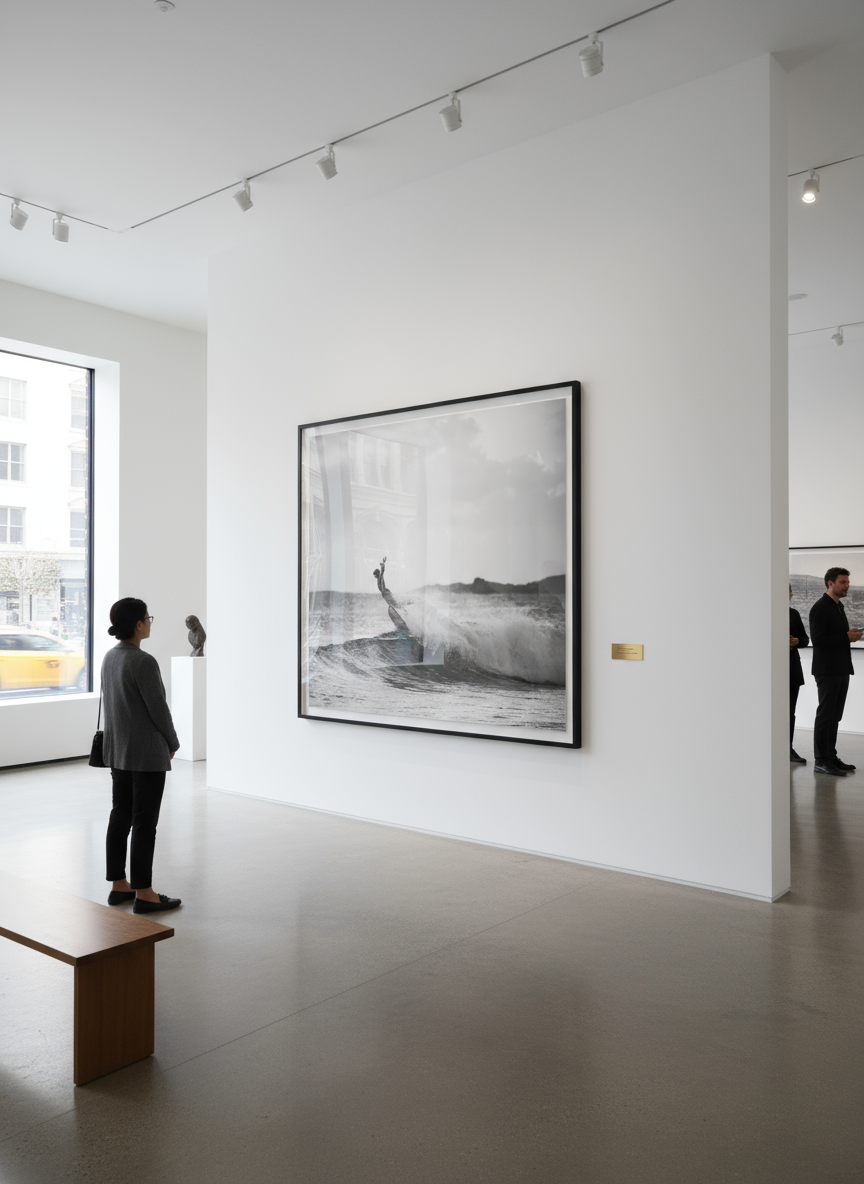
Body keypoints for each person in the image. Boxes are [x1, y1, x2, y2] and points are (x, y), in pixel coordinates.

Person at [102, 598, 182, 913]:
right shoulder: (143, 661)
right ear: (138, 624)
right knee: (144, 822)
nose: (150, 622)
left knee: (120, 814)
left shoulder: (109, 657)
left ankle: (118, 885)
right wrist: (173, 741)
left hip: (118, 750)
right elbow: (158, 710)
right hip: (146, 754)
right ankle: (145, 894)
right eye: (148, 618)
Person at [808, 568, 863, 777]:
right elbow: (819, 640)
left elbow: (839, 637)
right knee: (825, 715)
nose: (847, 585)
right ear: (830, 583)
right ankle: (821, 760)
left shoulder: (838, 607)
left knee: (835, 716)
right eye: (843, 582)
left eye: (848, 582)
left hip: (840, 668)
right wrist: (846, 637)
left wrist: (849, 636)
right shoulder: (820, 608)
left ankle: (830, 757)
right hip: (827, 670)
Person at [789, 584, 809, 764]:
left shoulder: (793, 614)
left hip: (792, 670)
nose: (788, 595)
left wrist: (797, 641)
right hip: (771, 671)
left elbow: (805, 639)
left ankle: (788, 748)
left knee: (790, 712)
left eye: (788, 592)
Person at [372, 556, 410, 632]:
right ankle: (403, 610)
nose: (374, 576)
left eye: (375, 574)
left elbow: (382, 572)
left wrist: (383, 565)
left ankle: (404, 611)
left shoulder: (380, 577)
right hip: (385, 593)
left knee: (394, 604)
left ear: (377, 574)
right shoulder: (378, 578)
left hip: (386, 593)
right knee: (394, 604)